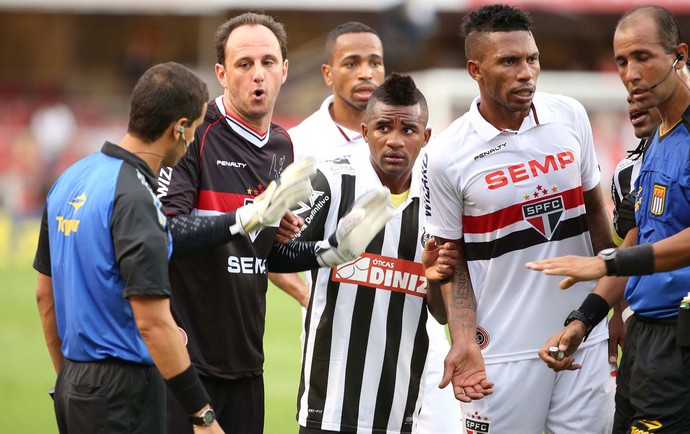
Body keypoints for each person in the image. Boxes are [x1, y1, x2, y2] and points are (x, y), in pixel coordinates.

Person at [421, 4, 616, 433]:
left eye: (532, 59)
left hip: (583, 335)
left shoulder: (570, 115)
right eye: (509, 61)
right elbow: (449, 264)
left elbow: (596, 218)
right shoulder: (445, 156)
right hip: (500, 352)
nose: (526, 72)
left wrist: (611, 312)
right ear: (475, 69)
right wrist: (465, 340)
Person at [273, 21, 463, 432]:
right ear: (327, 73)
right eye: (352, 62)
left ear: (424, 136)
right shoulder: (303, 149)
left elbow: (446, 287)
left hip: (414, 329)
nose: (365, 72)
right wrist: (310, 286)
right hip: (337, 329)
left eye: (374, 62)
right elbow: (274, 246)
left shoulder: (432, 184)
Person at [33, 62, 224, 433]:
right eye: (195, 129)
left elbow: (45, 296)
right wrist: (203, 416)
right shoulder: (136, 196)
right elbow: (153, 322)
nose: (192, 143)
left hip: (75, 381)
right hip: (123, 391)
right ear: (179, 128)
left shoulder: (71, 176)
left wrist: (73, 378)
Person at [526, 6, 690, 432]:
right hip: (644, 340)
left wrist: (606, 262)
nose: (631, 73)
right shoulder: (655, 136)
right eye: (622, 61)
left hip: (682, 338)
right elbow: (637, 239)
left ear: (680, 55)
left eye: (643, 57)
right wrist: (582, 321)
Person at [157, 13, 293, 434]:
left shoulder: (282, 144)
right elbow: (167, 235)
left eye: (268, 62)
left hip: (248, 364)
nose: (258, 75)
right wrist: (248, 216)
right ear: (221, 73)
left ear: (284, 71)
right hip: (188, 365)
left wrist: (325, 251)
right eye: (244, 63)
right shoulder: (193, 132)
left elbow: (258, 252)